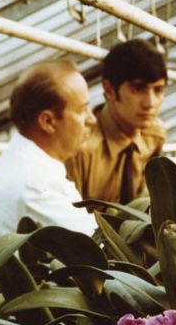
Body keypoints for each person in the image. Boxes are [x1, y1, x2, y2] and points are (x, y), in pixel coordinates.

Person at [0, 60, 98, 288]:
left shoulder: (27, 163)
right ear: (48, 121)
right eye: (82, 109)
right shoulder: (34, 181)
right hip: (9, 318)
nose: (92, 119)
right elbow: (96, 253)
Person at [66, 38, 167, 205]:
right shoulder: (81, 148)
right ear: (109, 90)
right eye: (137, 88)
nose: (150, 103)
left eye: (158, 90)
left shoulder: (154, 136)